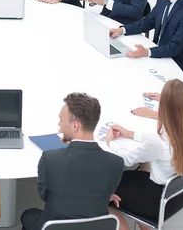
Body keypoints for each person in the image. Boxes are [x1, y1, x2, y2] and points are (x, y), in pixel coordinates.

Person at [106, 79, 183, 230]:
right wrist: (130, 134)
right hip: (179, 193)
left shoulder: (159, 142)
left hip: (156, 201)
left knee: (106, 192)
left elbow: (126, 159)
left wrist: (110, 142)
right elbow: (155, 138)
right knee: (134, 176)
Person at [21, 93, 124, 230]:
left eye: (61, 120)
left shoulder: (50, 159)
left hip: (54, 225)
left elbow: (45, 195)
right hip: (93, 226)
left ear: (75, 125)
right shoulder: (116, 163)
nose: (59, 125)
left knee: (28, 215)